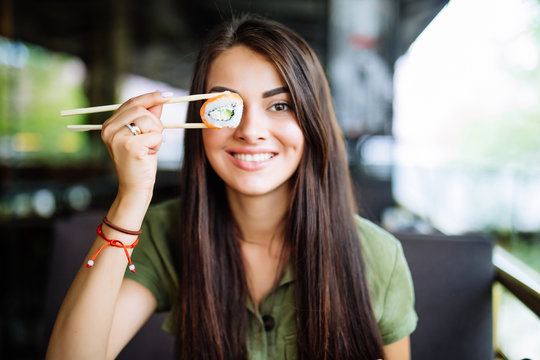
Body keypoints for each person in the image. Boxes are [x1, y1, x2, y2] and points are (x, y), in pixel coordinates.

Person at [47, 16, 417, 360]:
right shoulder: (166, 234)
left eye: (281, 105)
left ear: (313, 121)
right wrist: (131, 196)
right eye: (227, 107)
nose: (251, 130)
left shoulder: (378, 256)